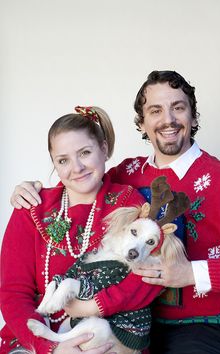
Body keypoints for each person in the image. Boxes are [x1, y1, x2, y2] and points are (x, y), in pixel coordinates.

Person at [7, 70, 220, 354]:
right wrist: (30, 192)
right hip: (132, 323)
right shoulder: (126, 176)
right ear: (142, 122)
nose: (168, 120)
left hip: (201, 325)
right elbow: (81, 179)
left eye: (178, 107)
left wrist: (192, 272)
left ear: (193, 116)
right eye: (155, 110)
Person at [0, 106, 164, 354]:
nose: (76, 168)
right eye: (63, 160)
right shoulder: (31, 207)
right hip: (36, 336)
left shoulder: (129, 206)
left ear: (104, 149)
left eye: (85, 152)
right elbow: (13, 291)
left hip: (108, 335)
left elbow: (149, 279)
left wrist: (95, 307)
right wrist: (51, 348)